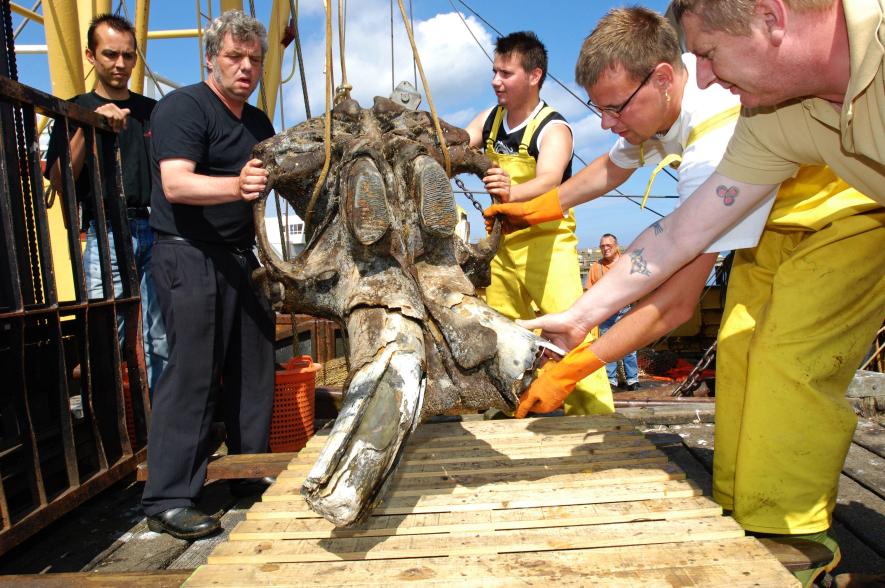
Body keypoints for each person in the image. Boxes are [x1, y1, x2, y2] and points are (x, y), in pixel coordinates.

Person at [486, 7, 884, 585]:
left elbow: (675, 303)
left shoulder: (721, 128)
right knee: (741, 355)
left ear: (663, 80)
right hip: (767, 226)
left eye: (615, 109)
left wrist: (575, 367)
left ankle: (792, 535)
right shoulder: (724, 114)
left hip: (846, 211)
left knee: (788, 361)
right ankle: (744, 507)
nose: (605, 123)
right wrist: (572, 291)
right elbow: (664, 227)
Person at [140, 10, 276, 540]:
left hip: (239, 255)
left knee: (253, 363)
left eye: (254, 61)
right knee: (192, 371)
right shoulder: (183, 107)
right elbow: (176, 184)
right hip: (187, 252)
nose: (245, 68)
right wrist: (234, 187)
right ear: (210, 59)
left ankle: (246, 471)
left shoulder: (258, 122)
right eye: (234, 58)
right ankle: (169, 496)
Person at [464, 31, 613, 416]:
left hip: (549, 247)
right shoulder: (490, 119)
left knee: (574, 336)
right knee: (500, 336)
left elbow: (549, 179)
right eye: (494, 71)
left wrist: (511, 192)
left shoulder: (553, 127)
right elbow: (461, 143)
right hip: (503, 248)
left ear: (534, 76)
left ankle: (597, 419)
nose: (496, 80)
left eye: (506, 73)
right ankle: (506, 414)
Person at [44, 14, 167, 391]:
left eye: (128, 56)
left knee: (160, 337)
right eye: (110, 54)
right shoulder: (73, 107)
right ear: (90, 55)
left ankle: (163, 423)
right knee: (104, 333)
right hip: (106, 231)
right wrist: (90, 124)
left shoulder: (154, 111)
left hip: (157, 229)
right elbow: (61, 177)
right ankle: (108, 428)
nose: (120, 64)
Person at [586, 234, 638, 391]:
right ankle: (611, 381)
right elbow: (589, 292)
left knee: (629, 347)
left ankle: (632, 380)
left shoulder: (627, 264)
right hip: (605, 314)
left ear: (616, 246)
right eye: (602, 246)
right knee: (608, 348)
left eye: (608, 245)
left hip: (626, 311)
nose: (605, 248)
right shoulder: (596, 267)